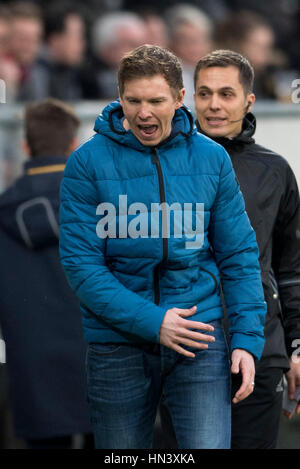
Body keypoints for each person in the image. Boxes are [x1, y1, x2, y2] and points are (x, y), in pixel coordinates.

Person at [59, 44, 267, 449]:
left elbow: (239, 256)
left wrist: (245, 338)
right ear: (118, 97)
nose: (143, 113)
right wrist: (154, 322)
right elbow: (82, 266)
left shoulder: (213, 158)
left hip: (199, 337)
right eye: (132, 101)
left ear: (179, 98)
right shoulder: (86, 163)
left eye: (156, 101)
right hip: (115, 343)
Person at [193, 49, 300, 448]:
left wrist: (296, 347)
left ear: (248, 100)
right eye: (204, 94)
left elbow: (290, 268)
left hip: (260, 351)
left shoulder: (275, 171)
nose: (214, 105)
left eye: (226, 93)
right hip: (185, 351)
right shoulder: (164, 165)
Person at [0, 98, 93, 449]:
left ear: (25, 146)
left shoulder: (3, 211)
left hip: (30, 365)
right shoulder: (100, 208)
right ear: (74, 146)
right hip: (97, 360)